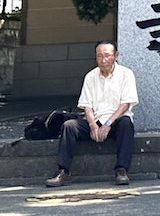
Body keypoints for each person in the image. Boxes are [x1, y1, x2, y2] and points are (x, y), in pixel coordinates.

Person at [47, 41, 138, 187]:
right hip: (95, 120)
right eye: (99, 56)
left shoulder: (126, 74)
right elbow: (87, 105)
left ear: (116, 56)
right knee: (69, 126)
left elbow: (125, 104)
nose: (103, 60)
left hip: (116, 120)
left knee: (127, 124)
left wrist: (108, 124)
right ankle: (63, 172)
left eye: (107, 55)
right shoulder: (90, 76)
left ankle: (121, 170)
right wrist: (93, 125)